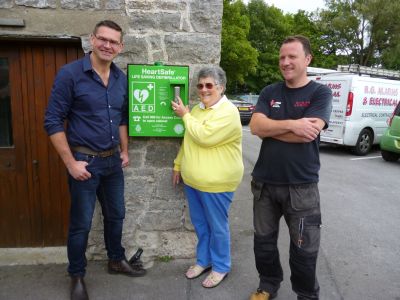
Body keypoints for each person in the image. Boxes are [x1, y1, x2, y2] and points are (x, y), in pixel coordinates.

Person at [44, 20, 146, 300]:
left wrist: (124, 151)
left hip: (113, 162)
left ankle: (116, 260)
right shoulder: (70, 74)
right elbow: (52, 121)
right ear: (92, 39)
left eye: (114, 42)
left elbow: (122, 118)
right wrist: (70, 163)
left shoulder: (120, 79)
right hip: (84, 163)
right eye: (103, 39)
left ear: (121, 47)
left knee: (116, 215)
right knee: (81, 223)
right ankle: (77, 275)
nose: (107, 45)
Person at [248, 35, 332, 300]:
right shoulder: (269, 91)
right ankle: (268, 285)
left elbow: (308, 133)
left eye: (292, 56)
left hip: (301, 187)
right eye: (282, 57)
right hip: (265, 183)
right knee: (263, 244)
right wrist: (293, 124)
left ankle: (306, 295)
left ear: (307, 59)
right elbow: (255, 127)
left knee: (304, 250)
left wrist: (272, 128)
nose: (285, 62)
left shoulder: (320, 93)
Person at [171, 66, 244, 288]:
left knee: (217, 226)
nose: (204, 89)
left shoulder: (228, 112)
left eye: (209, 85)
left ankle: (221, 266)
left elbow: (204, 137)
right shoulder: (197, 110)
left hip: (216, 183)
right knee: (201, 225)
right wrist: (178, 164)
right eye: (200, 85)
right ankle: (204, 261)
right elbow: (189, 139)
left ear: (221, 87)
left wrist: (184, 115)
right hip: (194, 181)